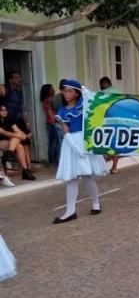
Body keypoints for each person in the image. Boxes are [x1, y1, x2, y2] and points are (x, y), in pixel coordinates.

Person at [53, 79, 108, 223]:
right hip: (71, 143)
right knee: (71, 178)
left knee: (87, 176)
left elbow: (92, 98)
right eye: (64, 91)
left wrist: (82, 88)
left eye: (70, 91)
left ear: (77, 93)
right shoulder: (62, 110)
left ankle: (96, 203)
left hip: (85, 140)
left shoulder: (83, 104)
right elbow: (65, 130)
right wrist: (76, 148)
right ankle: (70, 211)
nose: (66, 93)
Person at [1, 72, 33, 165]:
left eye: (20, 77)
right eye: (17, 78)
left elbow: (21, 108)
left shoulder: (19, 92)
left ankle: (28, 167)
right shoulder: (4, 88)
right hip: (10, 122)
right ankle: (10, 161)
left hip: (20, 120)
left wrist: (27, 123)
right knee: (17, 141)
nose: (20, 79)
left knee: (25, 142)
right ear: (10, 80)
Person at [0, 103, 37, 180]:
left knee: (19, 145)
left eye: (5, 110)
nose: (5, 111)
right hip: (1, 142)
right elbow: (4, 132)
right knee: (17, 138)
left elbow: (17, 130)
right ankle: (25, 172)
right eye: (2, 110)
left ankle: (24, 170)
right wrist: (19, 136)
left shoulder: (8, 119)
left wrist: (24, 135)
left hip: (9, 142)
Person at [99, 77, 121, 174]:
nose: (100, 86)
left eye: (101, 84)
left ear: (105, 83)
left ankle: (105, 165)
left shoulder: (103, 93)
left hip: (106, 121)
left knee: (104, 142)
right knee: (115, 144)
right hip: (117, 121)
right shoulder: (118, 92)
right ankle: (114, 166)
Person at [40, 84, 62, 166]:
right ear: (48, 91)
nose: (53, 89)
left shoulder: (46, 100)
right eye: (51, 88)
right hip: (52, 123)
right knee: (54, 143)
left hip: (50, 123)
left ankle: (53, 160)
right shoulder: (50, 100)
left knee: (53, 142)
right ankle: (53, 161)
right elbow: (51, 112)